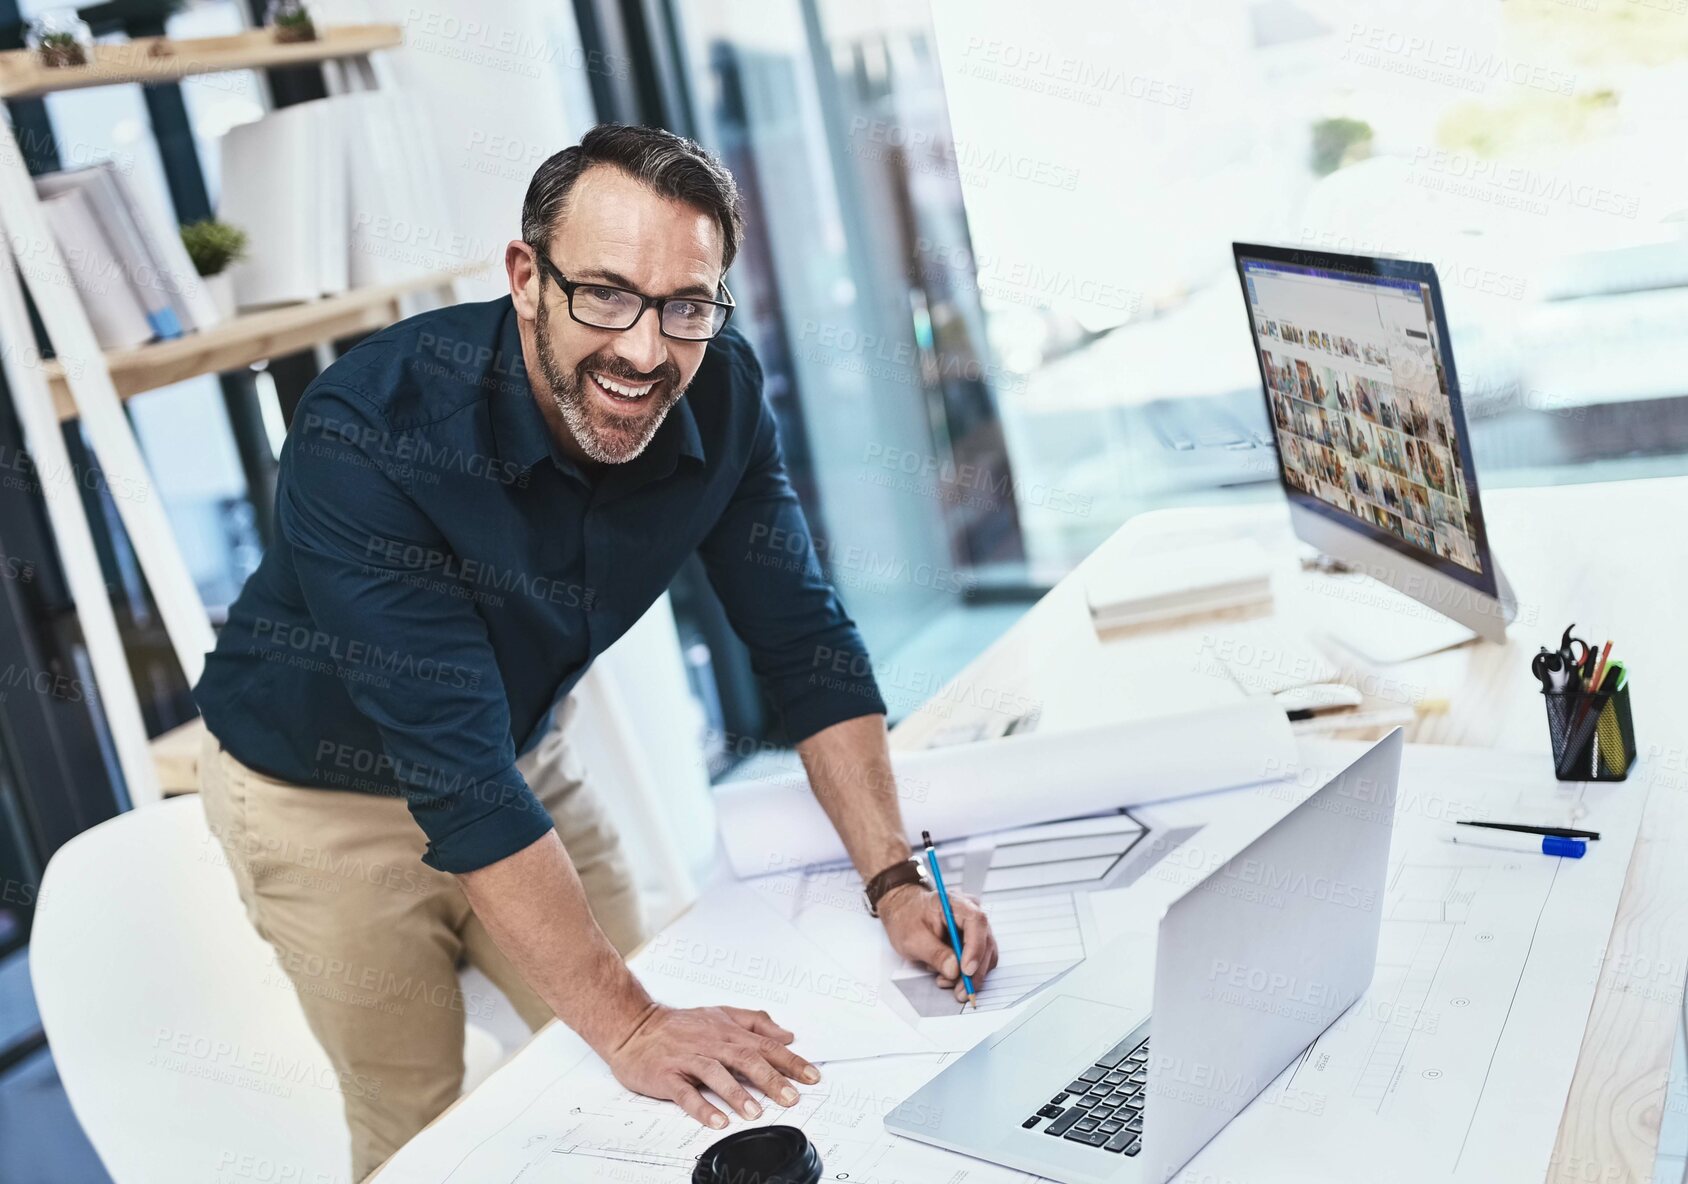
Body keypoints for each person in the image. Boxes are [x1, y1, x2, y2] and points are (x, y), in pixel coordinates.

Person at [193, 123, 999, 1181]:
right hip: (319, 805)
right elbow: (459, 782)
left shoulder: (718, 389)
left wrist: (895, 877)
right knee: (427, 1127)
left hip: (517, 760)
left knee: (681, 1092)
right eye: (604, 293)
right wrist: (622, 1024)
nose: (644, 349)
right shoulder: (368, 430)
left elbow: (804, 641)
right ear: (526, 276)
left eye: (685, 305)